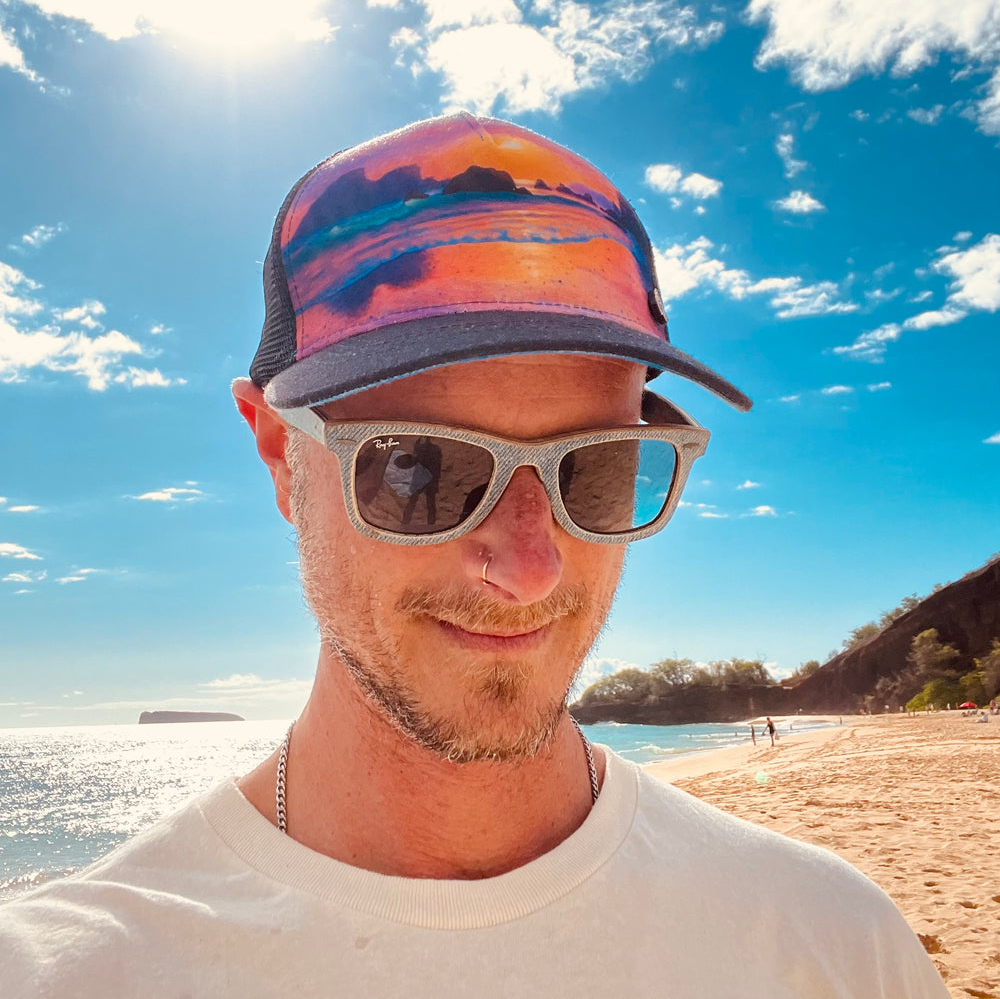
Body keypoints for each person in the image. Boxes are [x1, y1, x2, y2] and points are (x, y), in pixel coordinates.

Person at [0, 113, 948, 998]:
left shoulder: (829, 945)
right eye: (420, 469)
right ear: (280, 453)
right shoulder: (74, 971)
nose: (530, 568)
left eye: (598, 471)